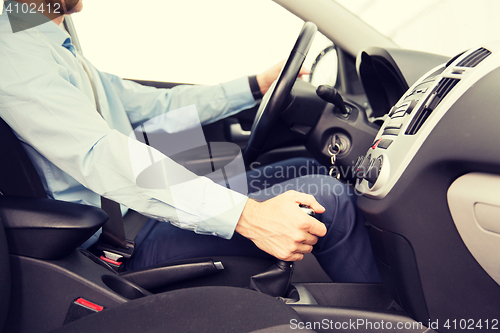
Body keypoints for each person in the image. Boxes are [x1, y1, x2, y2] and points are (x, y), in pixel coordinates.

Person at [0, 0, 381, 283]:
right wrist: (249, 217)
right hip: (116, 245)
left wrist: (256, 85)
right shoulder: (14, 54)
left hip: (139, 214)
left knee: (308, 169)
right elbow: (101, 154)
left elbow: (158, 104)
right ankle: (390, 319)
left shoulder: (56, 49)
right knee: (328, 199)